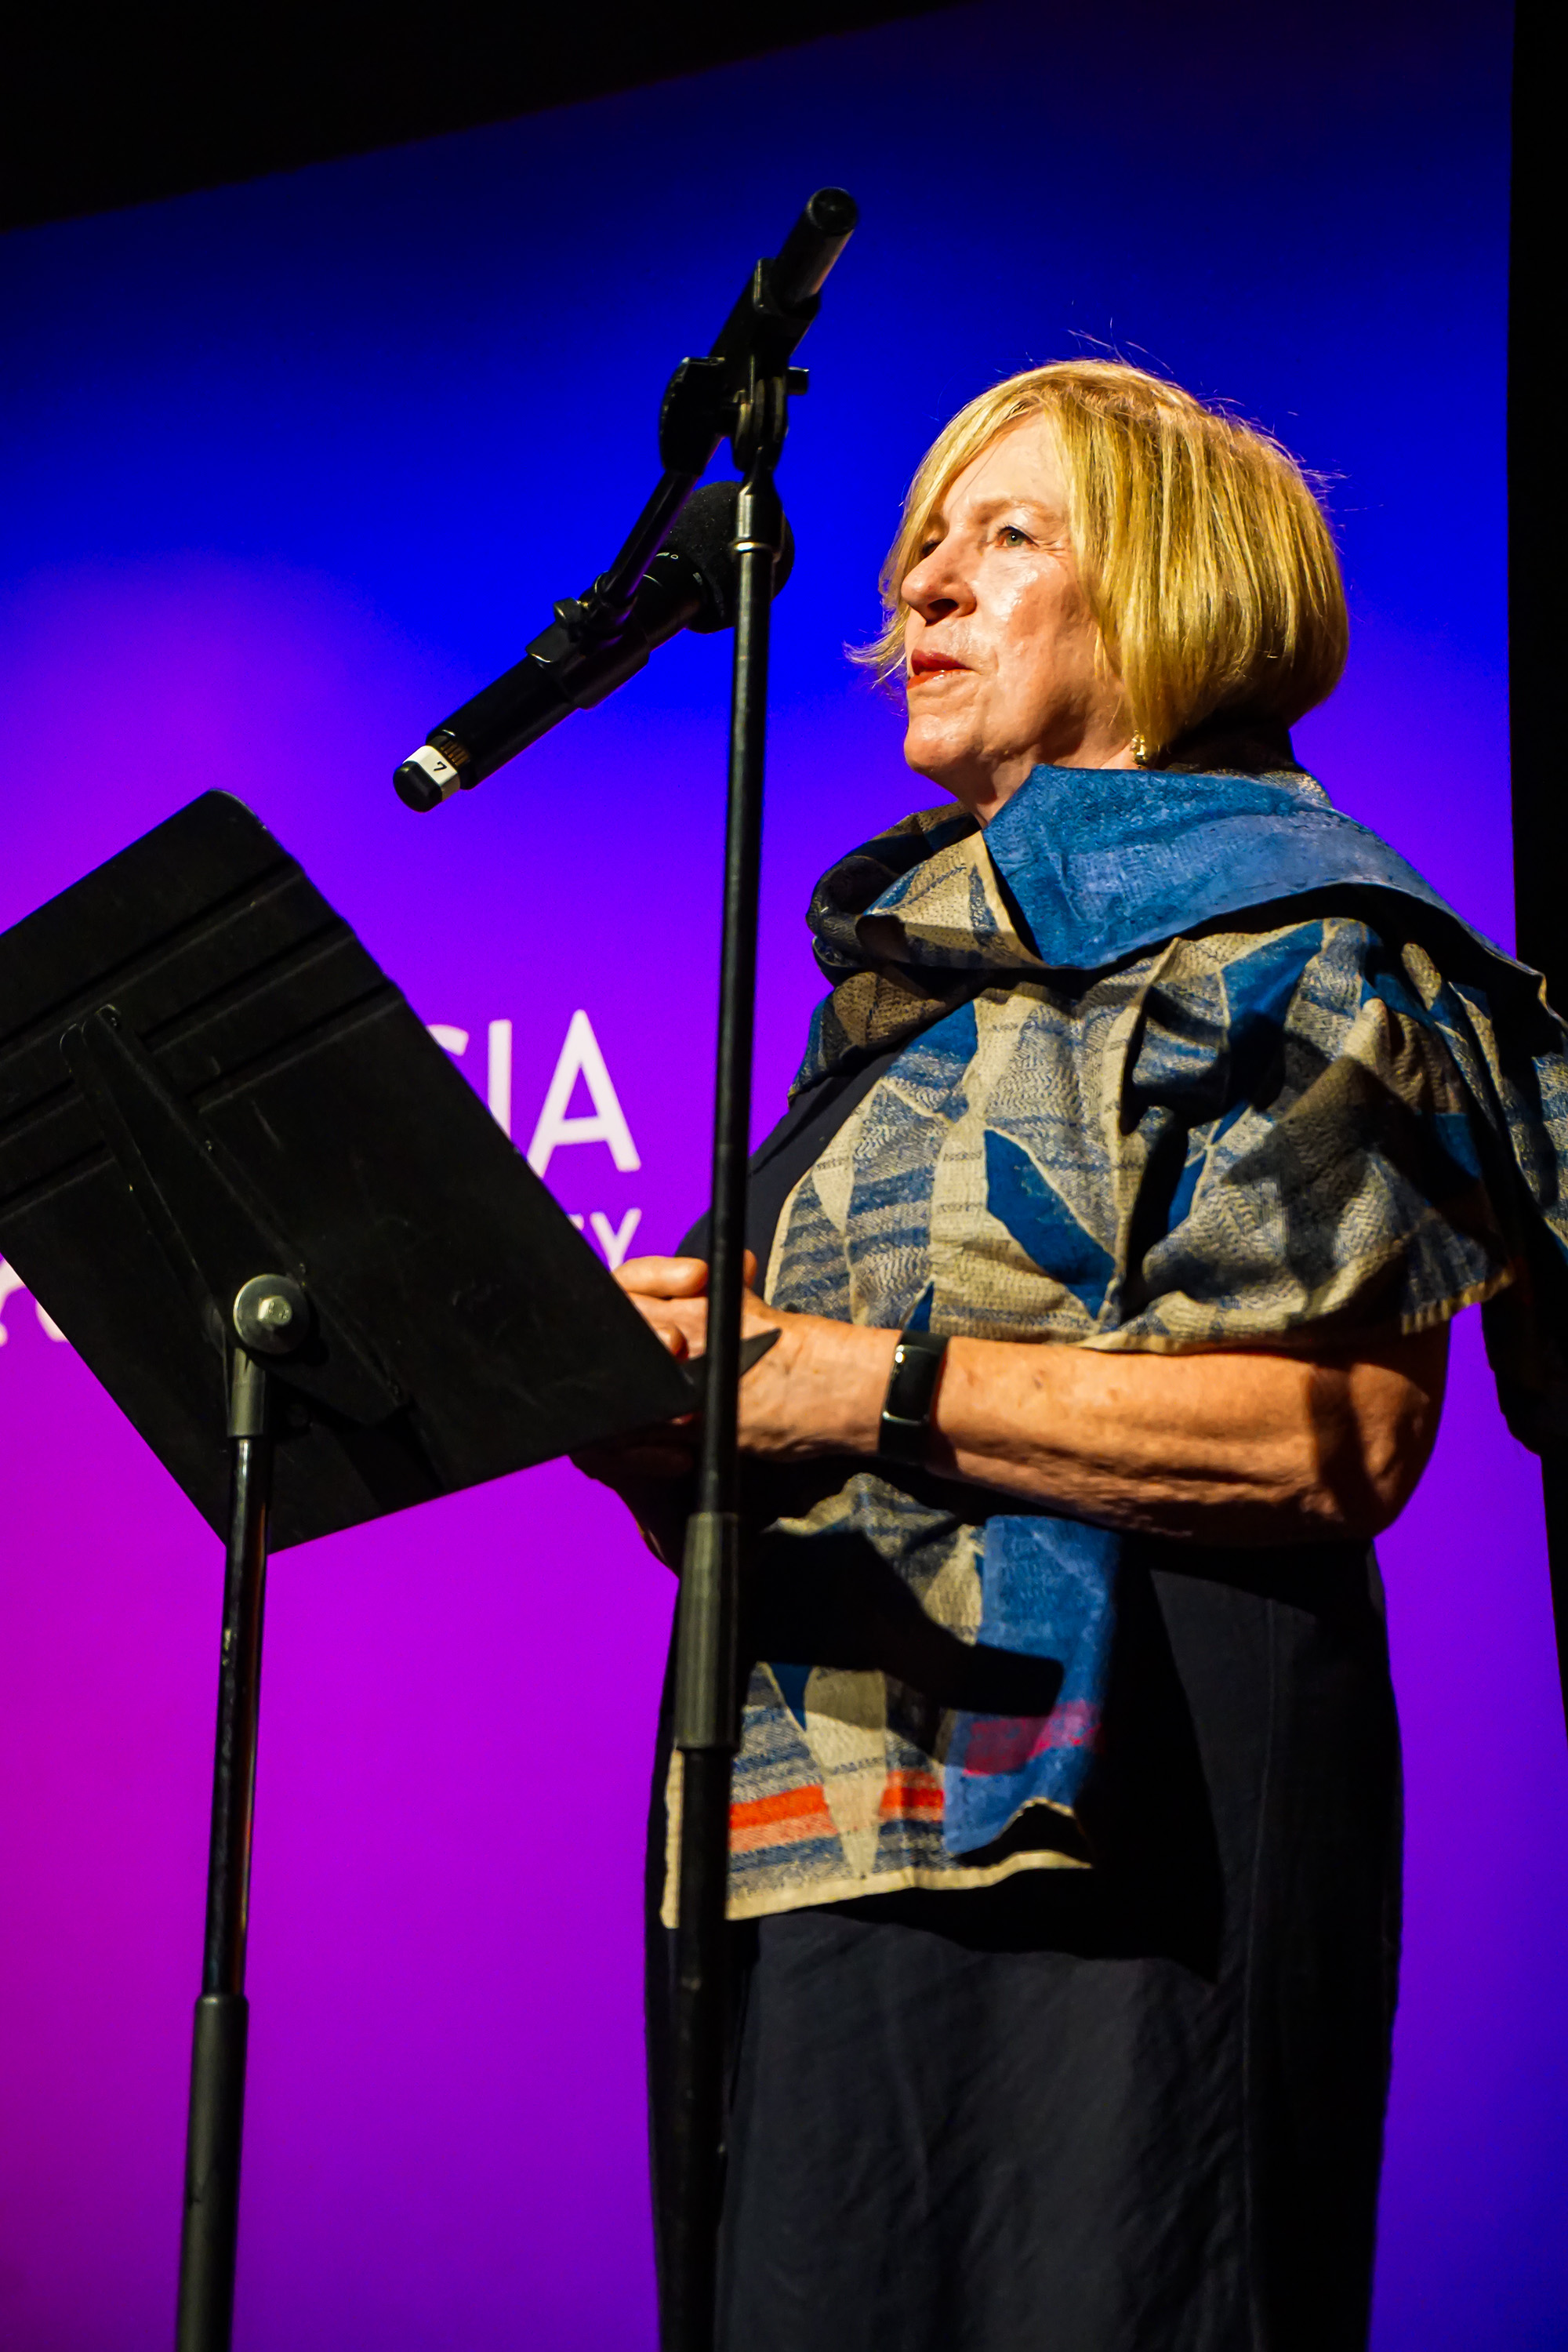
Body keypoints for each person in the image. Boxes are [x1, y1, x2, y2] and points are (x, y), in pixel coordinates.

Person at [578, 360, 1568, 2352]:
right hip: (826, 1806)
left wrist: (851, 1382)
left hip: (1143, 1820)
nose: (925, 587)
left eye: (1007, 537)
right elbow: (810, 1408)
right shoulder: (903, 989)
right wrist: (675, 1399)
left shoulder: (1302, 940)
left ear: (1180, 599)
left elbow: (1336, 1439)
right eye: (924, 542)